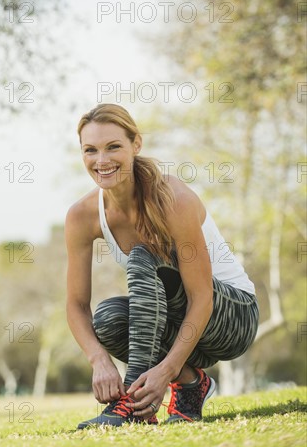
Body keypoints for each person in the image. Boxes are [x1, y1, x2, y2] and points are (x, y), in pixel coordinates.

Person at [65, 103, 259, 429]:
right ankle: (190, 386)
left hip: (232, 318)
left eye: (114, 147)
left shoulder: (172, 198)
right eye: (90, 150)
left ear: (135, 145)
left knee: (144, 256)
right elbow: (75, 305)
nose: (102, 160)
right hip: (180, 329)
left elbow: (201, 298)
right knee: (109, 318)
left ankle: (128, 400)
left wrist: (164, 370)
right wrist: (99, 360)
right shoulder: (81, 216)